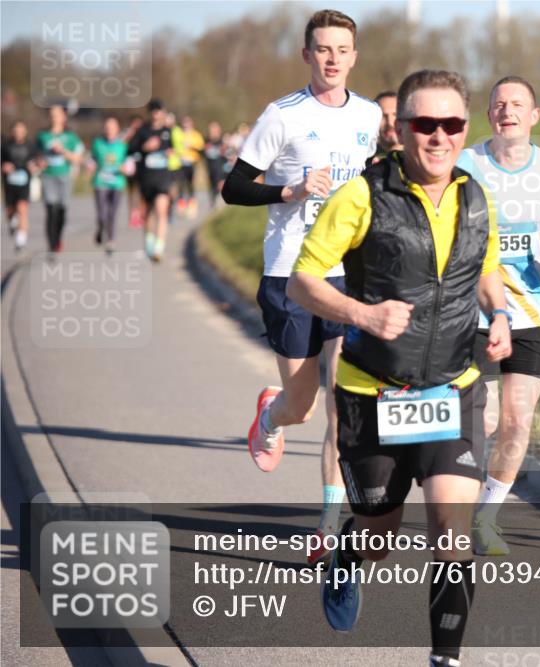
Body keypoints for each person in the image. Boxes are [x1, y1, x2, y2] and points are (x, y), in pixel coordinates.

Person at [287, 69, 512, 667]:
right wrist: (361, 313)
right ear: (402, 128)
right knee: (379, 534)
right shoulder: (361, 196)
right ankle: (348, 554)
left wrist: (499, 314)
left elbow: (485, 268)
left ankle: (445, 658)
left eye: (452, 124)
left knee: (451, 533)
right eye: (425, 124)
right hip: (373, 393)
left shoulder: (475, 197)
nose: (439, 137)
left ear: (465, 128)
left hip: (453, 389)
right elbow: (302, 281)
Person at [221, 9, 380, 567]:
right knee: (303, 406)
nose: (333, 58)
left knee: (340, 406)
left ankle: (327, 526)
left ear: (354, 56)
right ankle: (271, 416)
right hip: (289, 274)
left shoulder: (368, 115)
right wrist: (288, 192)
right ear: (307, 55)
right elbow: (233, 187)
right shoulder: (282, 115)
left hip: (344, 275)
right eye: (323, 49)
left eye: (342, 49)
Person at [456, 76, 540, 556]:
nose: (506, 111)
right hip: (473, 309)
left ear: (534, 116)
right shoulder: (465, 164)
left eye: (516, 104)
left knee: (518, 420)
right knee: (487, 419)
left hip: (531, 310)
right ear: (488, 114)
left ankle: (486, 517)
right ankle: (453, 494)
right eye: (498, 104)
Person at [128, 99, 175, 261]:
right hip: (146, 178)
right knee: (148, 213)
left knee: (161, 210)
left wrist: (170, 153)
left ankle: (159, 248)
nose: (156, 114)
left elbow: (175, 149)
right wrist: (144, 147)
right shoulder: (143, 131)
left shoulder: (168, 131)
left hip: (163, 178)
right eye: (153, 111)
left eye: (158, 110)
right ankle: (149, 242)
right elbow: (130, 149)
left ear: (162, 112)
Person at [37, 105, 85, 254]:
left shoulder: (71, 137)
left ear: (64, 117)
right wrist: (39, 161)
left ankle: (58, 238)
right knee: (50, 210)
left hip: (64, 176)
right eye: (51, 114)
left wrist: (63, 151)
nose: (54, 117)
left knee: (61, 211)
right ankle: (51, 245)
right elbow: (35, 156)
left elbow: (78, 159)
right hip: (48, 176)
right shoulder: (42, 136)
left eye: (57, 114)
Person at [87, 116, 129, 254]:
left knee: (112, 214)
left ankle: (111, 240)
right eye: (107, 127)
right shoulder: (98, 143)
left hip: (117, 183)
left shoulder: (123, 146)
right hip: (101, 182)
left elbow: (129, 164)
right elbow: (92, 159)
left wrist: (125, 169)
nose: (109, 130)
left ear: (117, 129)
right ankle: (100, 228)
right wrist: (90, 166)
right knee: (102, 214)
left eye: (112, 127)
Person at [1, 120, 41, 250]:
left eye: (21, 130)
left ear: (25, 132)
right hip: (9, 184)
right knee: (10, 211)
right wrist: (4, 166)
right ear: (12, 132)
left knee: (22, 209)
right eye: (16, 130)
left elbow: (37, 162)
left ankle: (21, 239)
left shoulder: (31, 146)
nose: (19, 133)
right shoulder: (5, 146)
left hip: (24, 183)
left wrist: (34, 166)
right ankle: (12, 221)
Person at [173, 115, 204, 219]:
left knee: (190, 184)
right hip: (180, 162)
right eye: (184, 123)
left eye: (188, 123)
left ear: (191, 124)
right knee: (180, 184)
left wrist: (191, 146)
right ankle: (181, 206)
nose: (186, 125)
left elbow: (201, 148)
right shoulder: (179, 134)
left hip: (192, 162)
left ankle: (192, 205)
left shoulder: (196, 135)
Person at [366, 90, 402, 167]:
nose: (390, 123)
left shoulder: (420, 158)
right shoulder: (364, 160)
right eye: (383, 116)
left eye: (395, 115)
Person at [201, 121, 227, 209]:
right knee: (213, 190)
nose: (214, 131)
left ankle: (221, 206)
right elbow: (201, 155)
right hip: (211, 170)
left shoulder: (223, 141)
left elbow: (228, 156)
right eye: (212, 129)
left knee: (221, 187)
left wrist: (224, 150)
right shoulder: (206, 142)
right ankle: (214, 206)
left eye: (215, 129)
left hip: (221, 170)